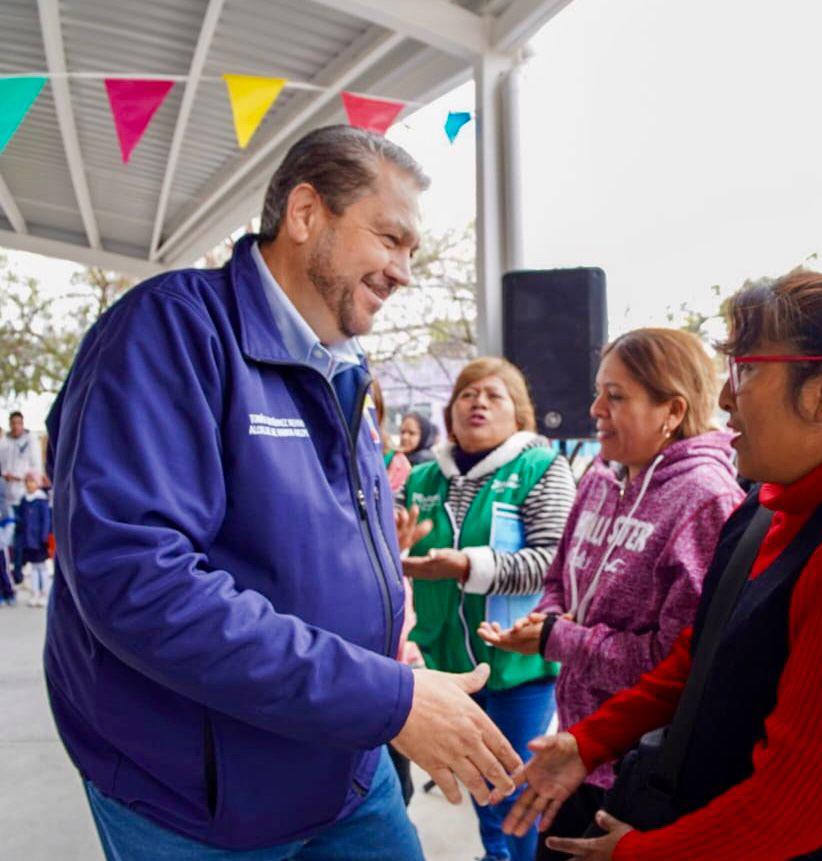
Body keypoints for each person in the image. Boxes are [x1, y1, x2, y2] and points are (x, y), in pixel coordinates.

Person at [43, 125, 523, 861]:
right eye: (390, 239)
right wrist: (384, 698)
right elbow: (138, 581)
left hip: (347, 765)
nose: (402, 271)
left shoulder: (344, 369)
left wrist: (388, 650)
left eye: (411, 252)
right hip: (197, 797)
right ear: (305, 214)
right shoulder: (169, 331)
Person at [503, 270, 822, 860]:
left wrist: (638, 855)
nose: (724, 397)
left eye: (745, 369)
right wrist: (590, 740)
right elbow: (701, 661)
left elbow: (794, 805)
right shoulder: (769, 504)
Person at [477, 328, 744, 859]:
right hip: (577, 750)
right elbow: (559, 577)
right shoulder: (600, 475)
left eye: (616, 396)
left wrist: (560, 639)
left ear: (671, 409)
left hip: (644, 769)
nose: (595, 408)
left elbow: (677, 664)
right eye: (600, 391)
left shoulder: (706, 499)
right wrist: (544, 622)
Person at [400, 356, 577, 861]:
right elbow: (390, 548)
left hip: (520, 664)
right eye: (467, 394)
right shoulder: (423, 478)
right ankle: (495, 856)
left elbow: (550, 562)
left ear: (519, 414)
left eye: (493, 395)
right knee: (480, 782)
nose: (478, 402)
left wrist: (465, 566)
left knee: (516, 784)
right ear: (450, 411)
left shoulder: (541, 468)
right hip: (448, 663)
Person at [0, 410, 43, 584]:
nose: (16, 426)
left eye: (19, 423)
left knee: (22, 538)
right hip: (8, 498)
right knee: (11, 540)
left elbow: (36, 468)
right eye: (13, 423)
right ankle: (16, 572)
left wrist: (22, 478)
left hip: (25, 497)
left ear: (22, 423)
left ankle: (20, 571)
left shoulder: (30, 440)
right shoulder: (4, 443)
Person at [15, 472, 50, 607]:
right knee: (33, 567)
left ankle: (44, 592)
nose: (29, 484)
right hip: (28, 539)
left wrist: (44, 536)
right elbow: (21, 519)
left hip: (39, 539)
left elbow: (46, 520)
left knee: (41, 567)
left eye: (32, 481)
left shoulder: (41, 500)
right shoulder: (25, 500)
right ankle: (35, 593)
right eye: (27, 482)